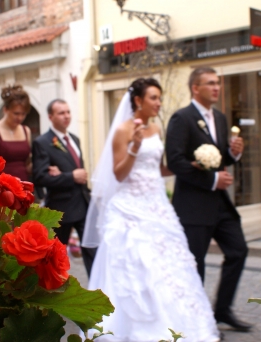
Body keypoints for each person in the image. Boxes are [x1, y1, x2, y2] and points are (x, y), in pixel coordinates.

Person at [82, 78, 220, 342]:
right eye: (153, 98)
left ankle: (181, 327)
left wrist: (192, 165)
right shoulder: (122, 131)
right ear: (138, 101)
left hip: (158, 206)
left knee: (172, 267)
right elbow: (119, 175)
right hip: (131, 210)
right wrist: (133, 147)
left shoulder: (156, 129)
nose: (158, 103)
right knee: (139, 268)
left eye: (159, 98)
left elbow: (157, 168)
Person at [165, 67, 251, 332]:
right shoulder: (182, 118)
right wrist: (212, 180)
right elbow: (176, 162)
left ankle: (222, 310)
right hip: (193, 206)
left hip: (220, 205)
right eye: (210, 83)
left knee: (238, 250)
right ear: (195, 88)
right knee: (196, 264)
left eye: (218, 83)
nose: (216, 87)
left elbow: (218, 158)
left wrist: (233, 154)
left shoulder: (221, 118)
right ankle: (198, 321)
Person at [32, 99, 96, 276]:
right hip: (61, 208)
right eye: (61, 113)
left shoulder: (74, 139)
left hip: (83, 203)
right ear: (50, 117)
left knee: (92, 250)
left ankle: (99, 289)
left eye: (68, 112)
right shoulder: (42, 142)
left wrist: (64, 174)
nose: (66, 116)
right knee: (56, 257)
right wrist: (69, 176)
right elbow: (40, 176)